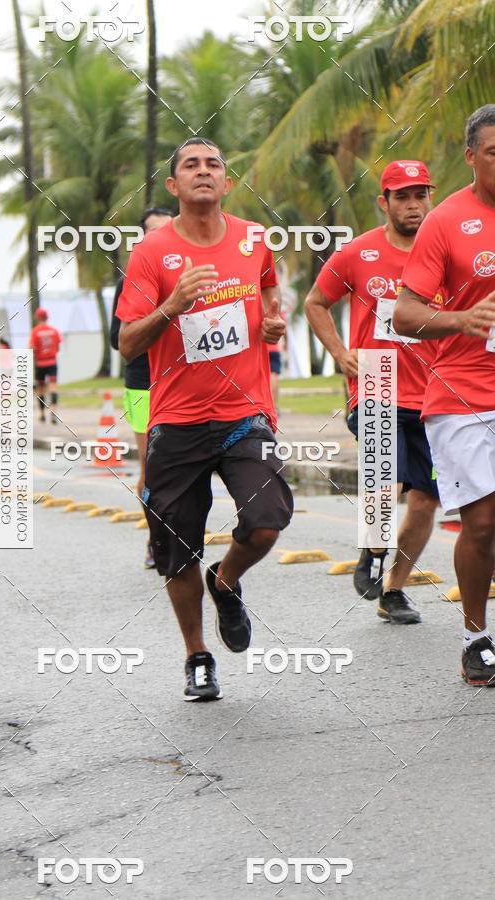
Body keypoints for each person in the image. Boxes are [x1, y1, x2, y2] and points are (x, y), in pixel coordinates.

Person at [117, 137, 294, 701]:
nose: (202, 171)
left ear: (226, 182)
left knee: (267, 519)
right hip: (177, 419)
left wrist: (271, 323)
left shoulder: (253, 239)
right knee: (176, 547)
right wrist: (171, 306)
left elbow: (269, 295)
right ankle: (197, 655)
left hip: (245, 412)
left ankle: (228, 579)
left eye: (213, 164)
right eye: (189, 165)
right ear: (173, 186)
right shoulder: (151, 253)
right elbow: (126, 344)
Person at [304, 160, 441, 624]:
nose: (413, 204)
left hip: (436, 390)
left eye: (420, 195)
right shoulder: (357, 254)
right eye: (402, 196)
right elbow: (315, 302)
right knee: (389, 478)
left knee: (426, 500)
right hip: (376, 380)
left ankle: (395, 591)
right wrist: (340, 352)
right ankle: (371, 550)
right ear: (384, 202)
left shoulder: (445, 254)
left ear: (430, 198)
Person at [394, 105, 495, 685]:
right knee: (482, 524)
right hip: (462, 398)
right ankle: (475, 637)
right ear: (470, 157)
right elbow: (406, 312)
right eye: (493, 152)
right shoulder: (447, 221)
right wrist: (459, 320)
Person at [110, 206, 174, 569]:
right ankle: (156, 539)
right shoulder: (131, 280)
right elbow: (117, 340)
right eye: (155, 232)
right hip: (142, 386)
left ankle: (182, 536)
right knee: (153, 469)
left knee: (186, 469)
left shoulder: (191, 274)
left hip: (182, 383)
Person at [29, 308, 62, 425]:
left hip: (40, 363)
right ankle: (53, 412)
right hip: (52, 361)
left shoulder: (35, 331)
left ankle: (42, 415)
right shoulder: (54, 331)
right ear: (47, 317)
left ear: (37, 317)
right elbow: (58, 346)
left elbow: (32, 347)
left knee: (40, 389)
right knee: (53, 387)